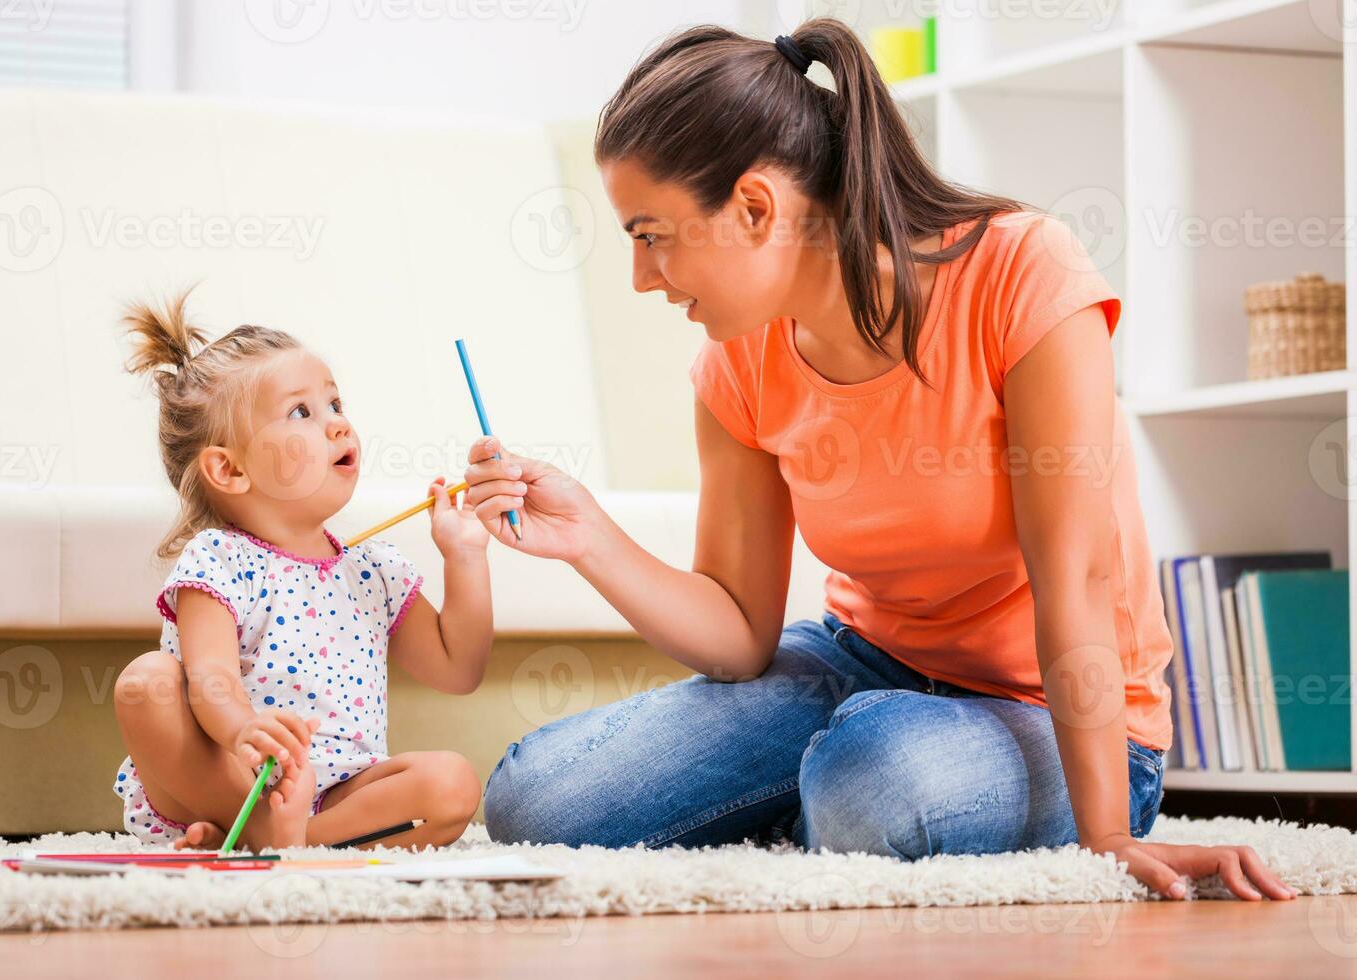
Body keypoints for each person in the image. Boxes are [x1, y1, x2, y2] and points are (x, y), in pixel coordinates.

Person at [465, 21, 1291, 901]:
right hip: (864, 666)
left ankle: (836, 784)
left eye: (651, 234)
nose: (641, 277)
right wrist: (590, 536)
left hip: (1057, 716)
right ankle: (835, 781)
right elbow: (740, 637)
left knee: (871, 786)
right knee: (539, 799)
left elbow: (1077, 580)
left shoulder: (1022, 274)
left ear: (755, 207)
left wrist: (1106, 840)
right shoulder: (734, 362)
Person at [111, 291, 490, 851]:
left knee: (452, 783)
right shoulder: (218, 560)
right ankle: (259, 824)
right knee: (147, 683)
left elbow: (459, 669)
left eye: (335, 404)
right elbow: (208, 676)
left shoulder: (374, 570)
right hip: (228, 777)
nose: (339, 426)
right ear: (230, 468)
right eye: (302, 413)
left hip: (341, 788)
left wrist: (465, 556)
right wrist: (244, 732)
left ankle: (282, 840)